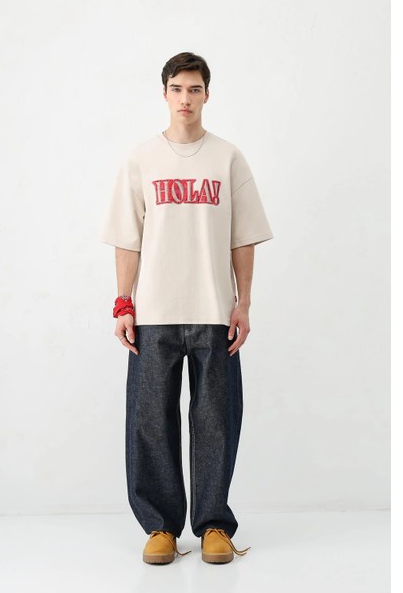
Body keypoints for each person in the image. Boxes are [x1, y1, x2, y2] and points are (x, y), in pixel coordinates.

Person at [98, 51, 273, 565]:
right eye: (177, 89)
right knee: (150, 420)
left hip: (214, 311)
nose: (186, 98)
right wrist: (123, 303)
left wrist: (243, 303)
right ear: (165, 94)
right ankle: (161, 527)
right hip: (153, 312)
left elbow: (243, 237)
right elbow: (127, 239)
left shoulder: (228, 158)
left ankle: (214, 524)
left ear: (207, 95)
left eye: (195, 89)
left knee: (217, 419)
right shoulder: (141, 160)